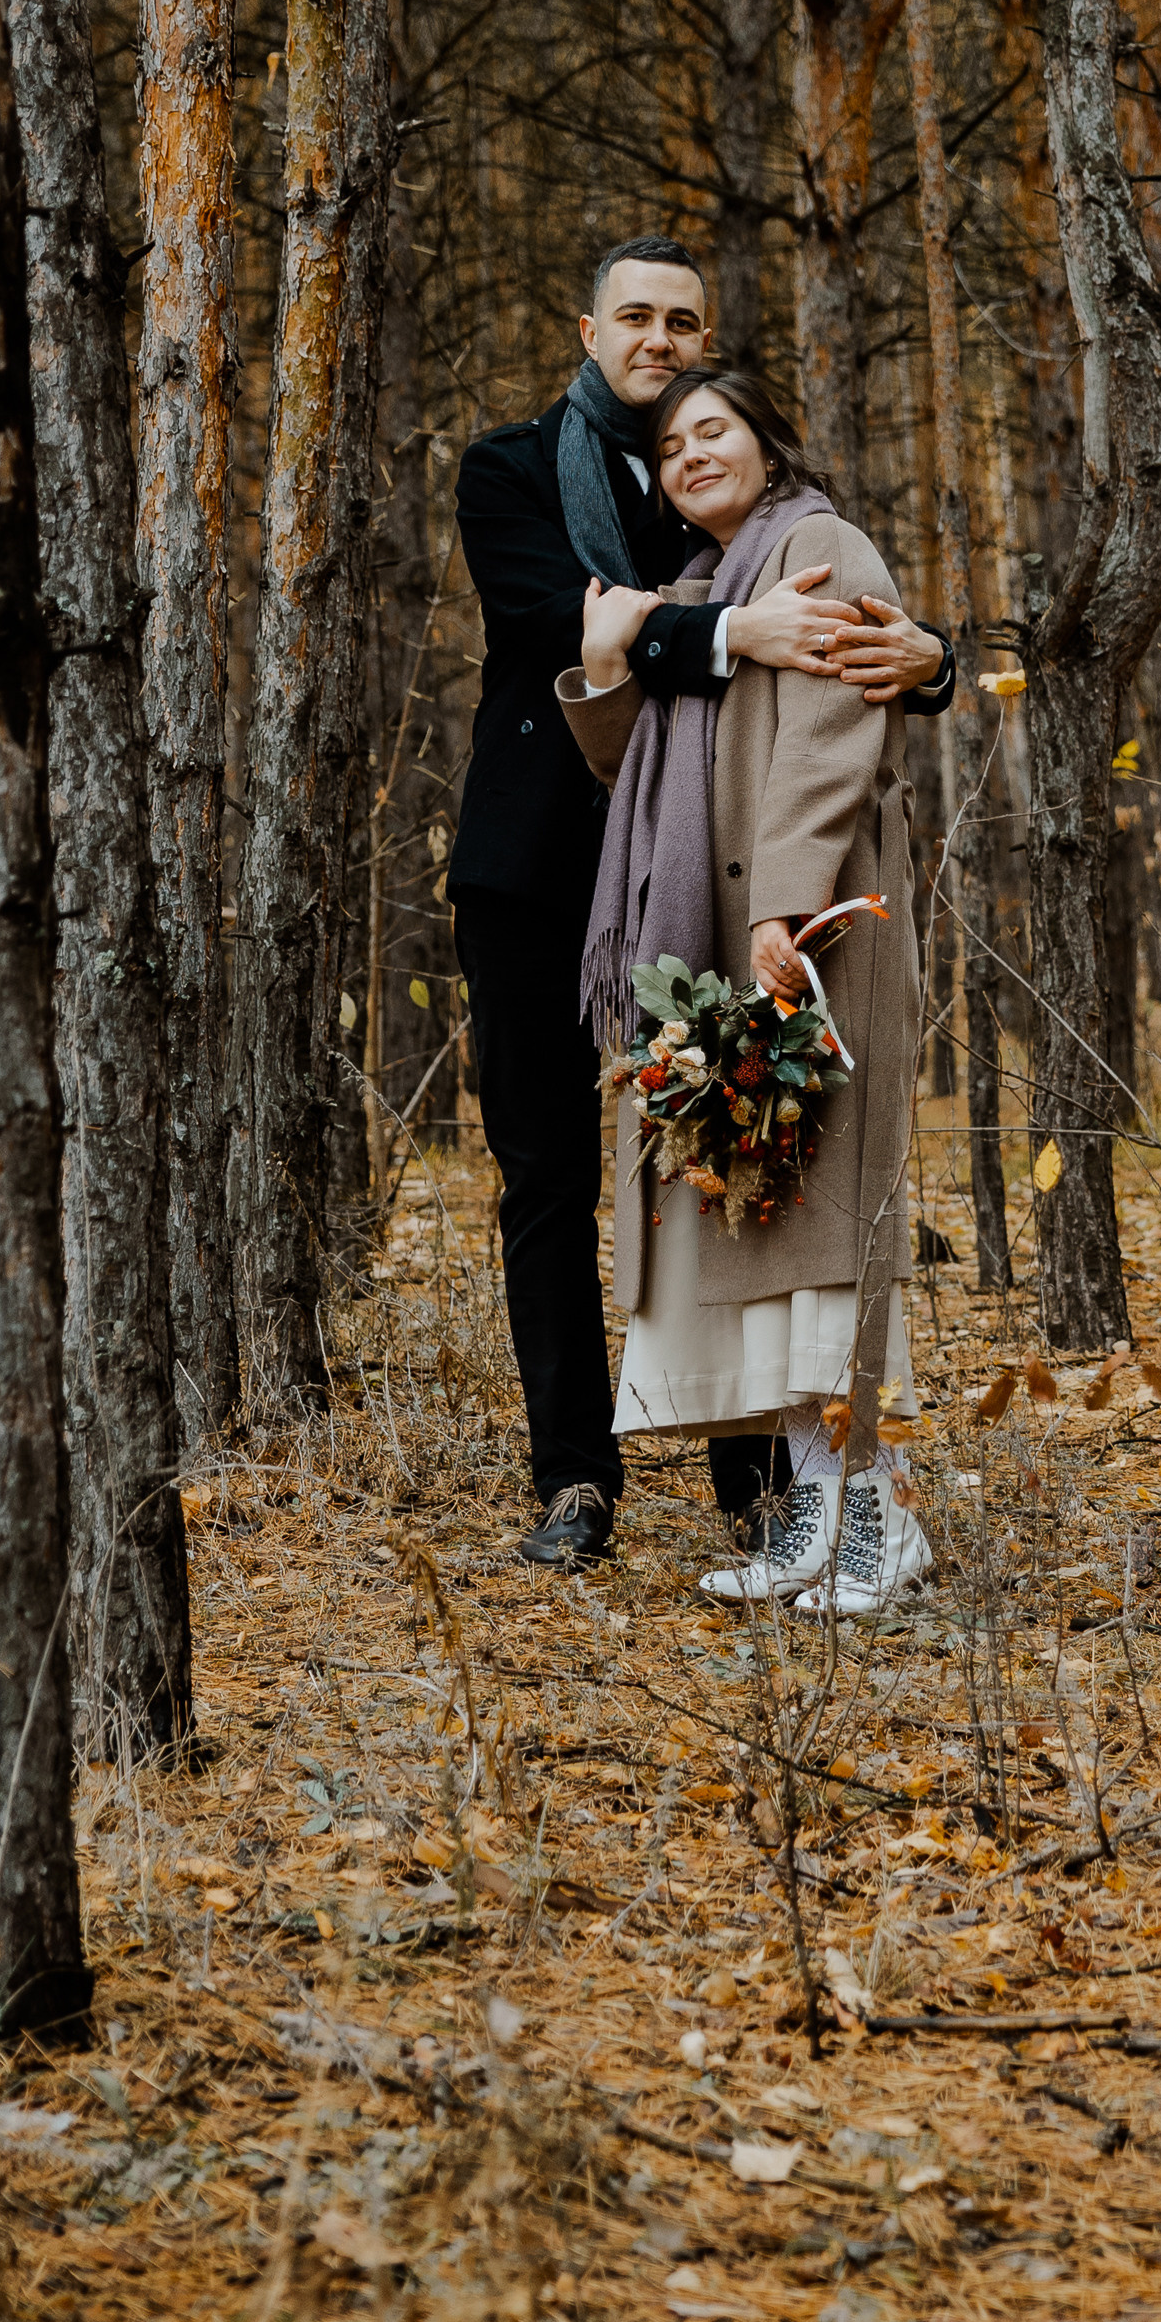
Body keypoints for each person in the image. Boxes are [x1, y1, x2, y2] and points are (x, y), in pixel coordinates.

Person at [449, 237, 952, 1567]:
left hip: (708, 878)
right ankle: (574, 1478)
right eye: (635, 317)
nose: (658, 339)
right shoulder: (506, 470)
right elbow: (565, 619)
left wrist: (935, 658)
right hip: (541, 871)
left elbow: (842, 616)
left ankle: (764, 1488)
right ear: (587, 327)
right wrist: (736, 637)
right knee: (545, 1179)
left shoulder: (721, 496)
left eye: (684, 320)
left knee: (727, 1153)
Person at [559, 365, 932, 1616]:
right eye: (670, 447)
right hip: (724, 943)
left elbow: (832, 740)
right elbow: (627, 765)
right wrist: (609, 665)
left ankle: (882, 1520)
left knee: (826, 1244)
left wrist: (783, 905)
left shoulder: (817, 543)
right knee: (770, 1238)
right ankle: (813, 1522)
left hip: (813, 929)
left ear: (768, 444)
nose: (689, 455)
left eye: (712, 430)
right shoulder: (706, 588)